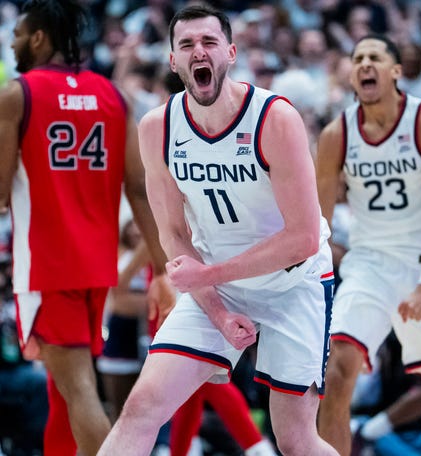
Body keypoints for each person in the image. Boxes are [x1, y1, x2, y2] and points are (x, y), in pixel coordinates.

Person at [98, 4, 337, 456]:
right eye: (186, 44)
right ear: (172, 60)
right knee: (142, 406)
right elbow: (173, 233)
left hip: (296, 281)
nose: (198, 51)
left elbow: (303, 237)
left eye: (208, 42)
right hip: (220, 286)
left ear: (229, 52)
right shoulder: (158, 128)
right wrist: (217, 311)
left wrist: (206, 277)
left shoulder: (275, 118)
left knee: (296, 439)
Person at [0, 1, 173, 455]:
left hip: (46, 266)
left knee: (79, 394)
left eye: (18, 33)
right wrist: (164, 268)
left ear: (38, 38)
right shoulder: (113, 96)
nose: (13, 42)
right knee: (65, 395)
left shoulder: (17, 94)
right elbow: (139, 189)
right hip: (97, 269)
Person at [316, 33, 421, 456]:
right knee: (337, 369)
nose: (364, 64)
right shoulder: (335, 134)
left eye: (375, 57)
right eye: (357, 58)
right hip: (369, 265)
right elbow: (319, 224)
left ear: (396, 71)